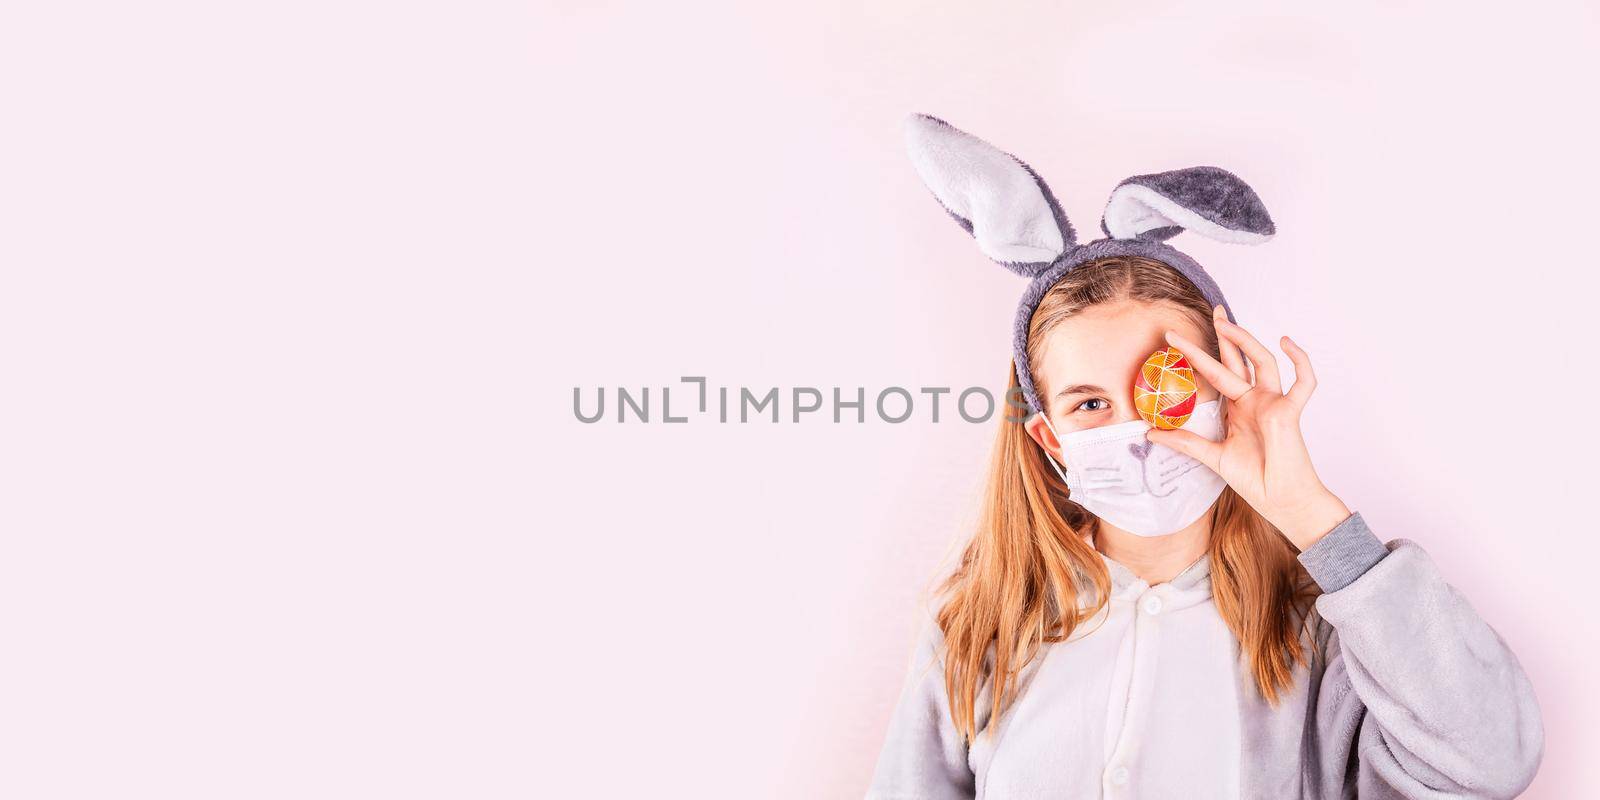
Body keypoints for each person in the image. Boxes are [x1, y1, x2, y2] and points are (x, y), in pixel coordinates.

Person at [864, 114, 1544, 799]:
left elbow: (1490, 761)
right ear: (1050, 439)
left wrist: (1311, 514)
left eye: (1167, 386)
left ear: (1227, 390)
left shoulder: (1322, 634)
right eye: (1091, 405)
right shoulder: (981, 626)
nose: (1139, 431)